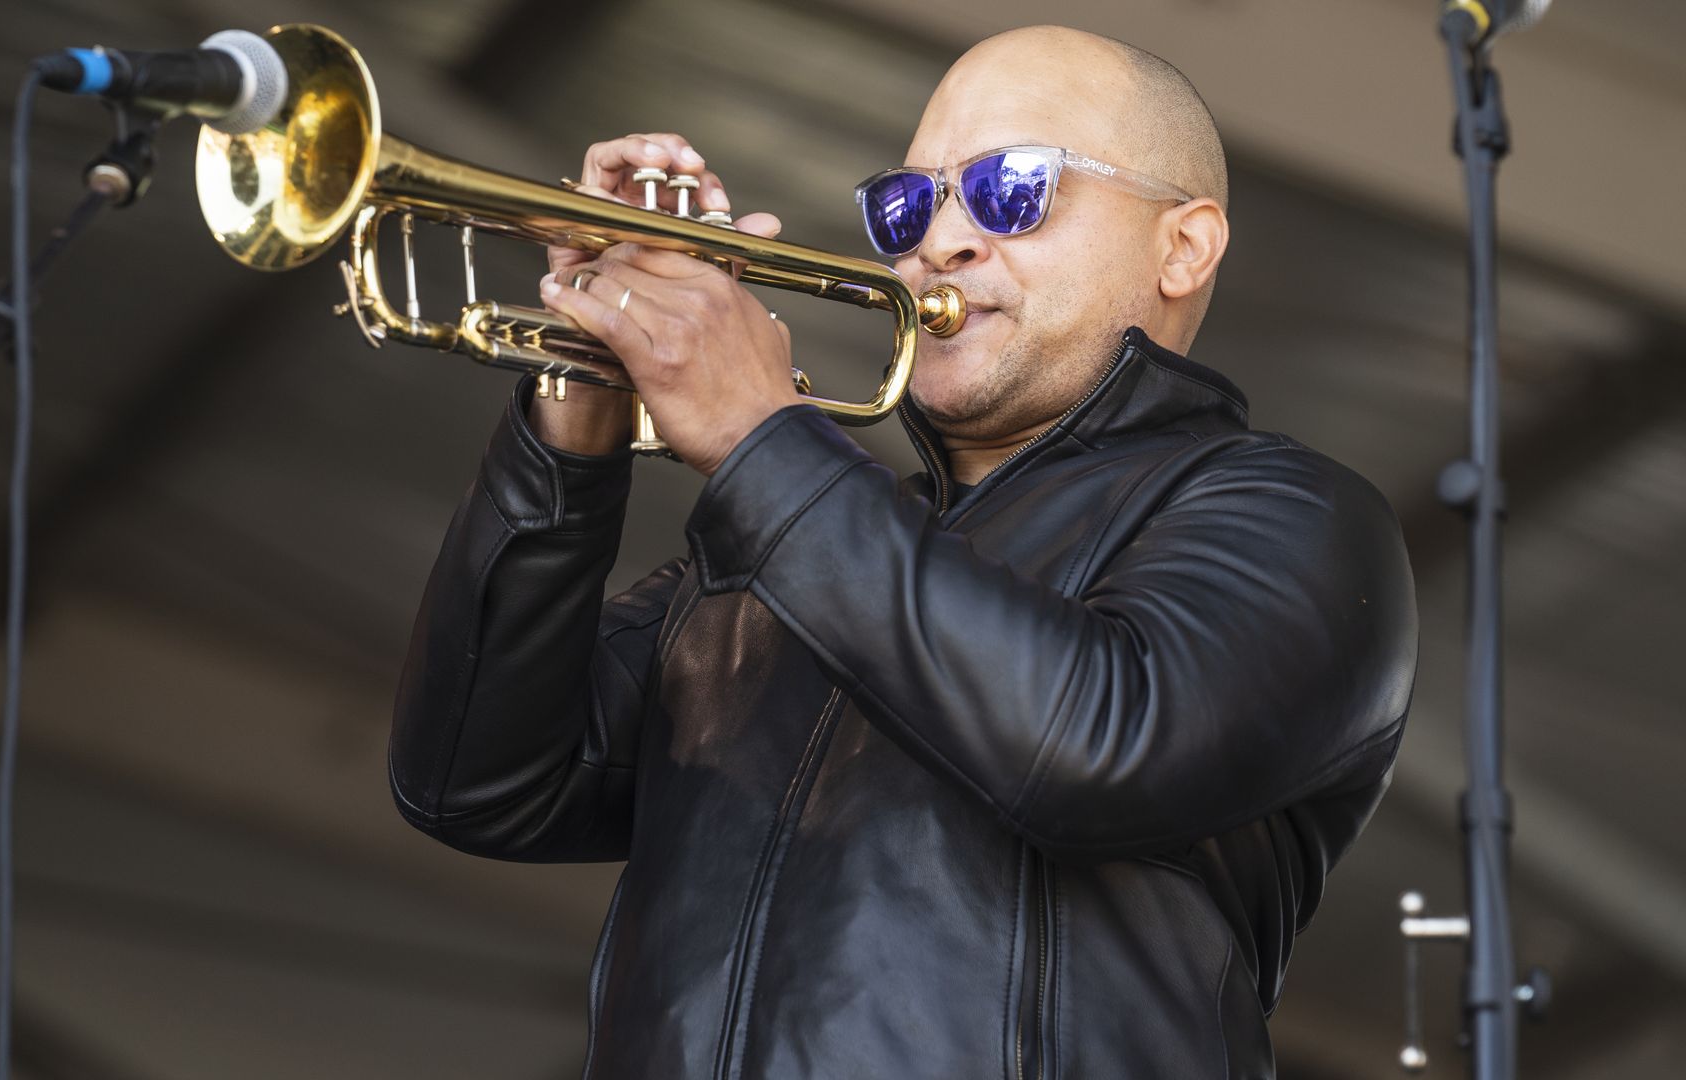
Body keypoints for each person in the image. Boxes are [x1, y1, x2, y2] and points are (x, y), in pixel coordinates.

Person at [390, 24, 1417, 1079]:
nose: (942, 243)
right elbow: (475, 781)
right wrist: (578, 406)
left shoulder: (1294, 515)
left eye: (1012, 189)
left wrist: (762, 440)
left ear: (1185, 245)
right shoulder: (765, 560)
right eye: (908, 206)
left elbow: (1099, 747)